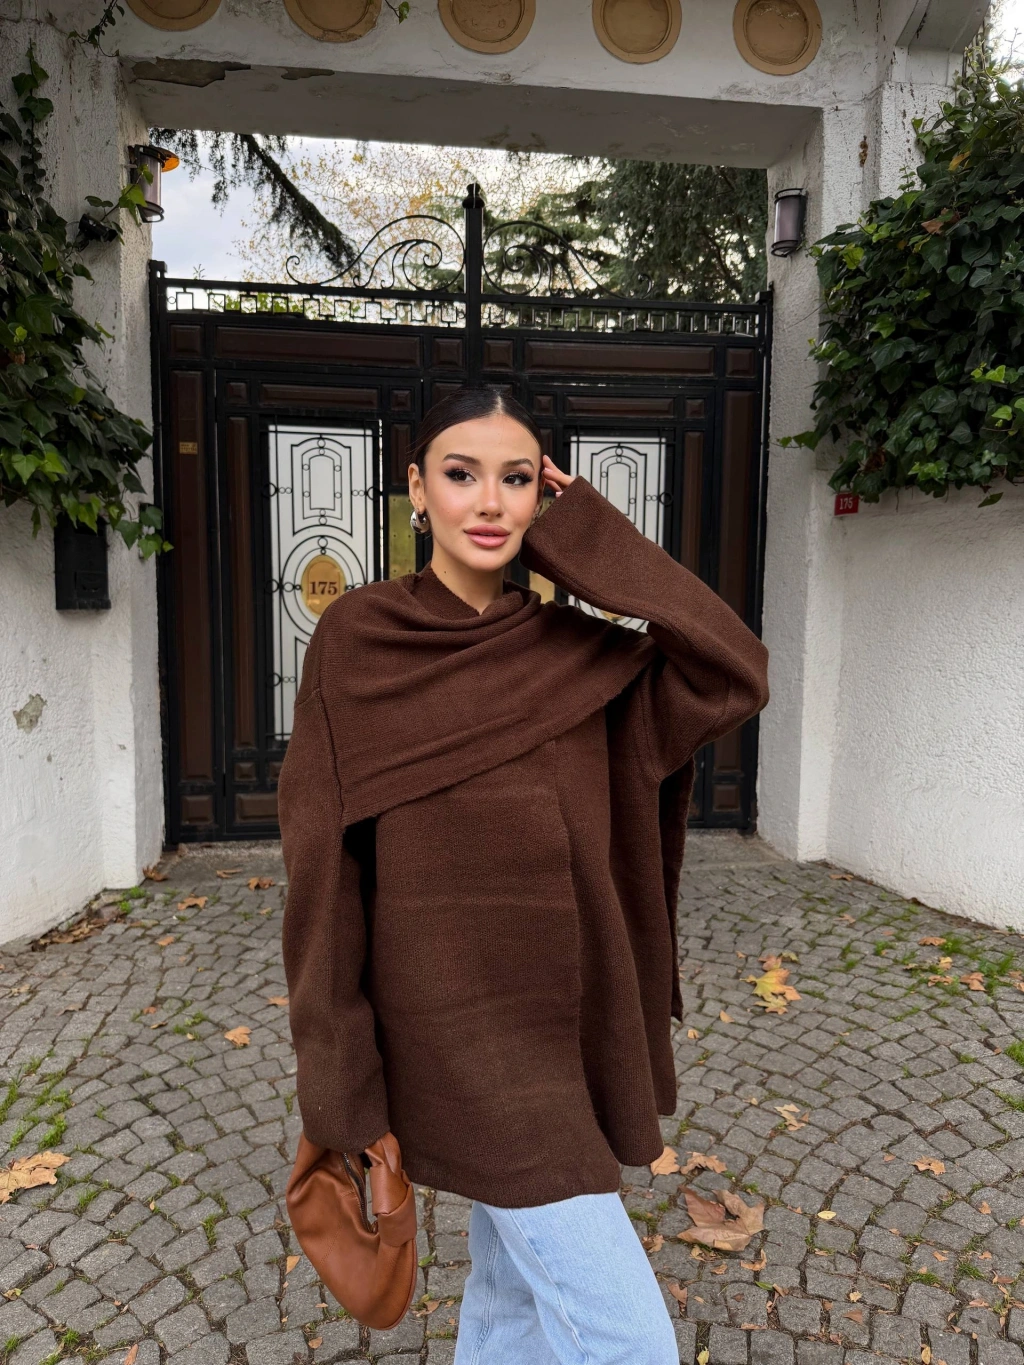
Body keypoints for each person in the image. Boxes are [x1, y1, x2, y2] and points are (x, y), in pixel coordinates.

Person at [278, 387, 770, 1365]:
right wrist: (343, 1092)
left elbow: (732, 671)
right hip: (452, 1037)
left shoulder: (579, 655)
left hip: (567, 1024)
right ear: (416, 489)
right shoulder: (359, 644)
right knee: (630, 1343)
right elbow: (323, 879)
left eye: (516, 479)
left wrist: (584, 533)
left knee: (509, 1302)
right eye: (461, 474)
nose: (489, 500)